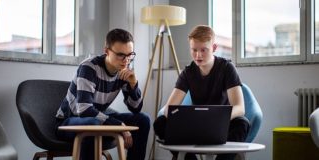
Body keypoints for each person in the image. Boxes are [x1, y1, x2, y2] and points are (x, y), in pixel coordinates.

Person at [153, 25, 250, 160]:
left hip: (221, 125)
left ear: (214, 48)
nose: (198, 55)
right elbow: (169, 109)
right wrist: (185, 119)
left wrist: (217, 119)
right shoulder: (187, 72)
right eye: (194, 50)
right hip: (196, 127)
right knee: (160, 123)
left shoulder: (227, 68)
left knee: (242, 123)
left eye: (204, 50)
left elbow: (240, 108)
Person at [55, 28, 150, 160]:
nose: (126, 60)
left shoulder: (124, 71)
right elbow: (84, 110)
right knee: (93, 124)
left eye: (130, 55)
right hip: (69, 122)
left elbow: (136, 108)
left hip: (97, 120)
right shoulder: (89, 68)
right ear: (106, 51)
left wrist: (133, 84)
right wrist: (118, 125)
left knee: (142, 119)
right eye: (121, 55)